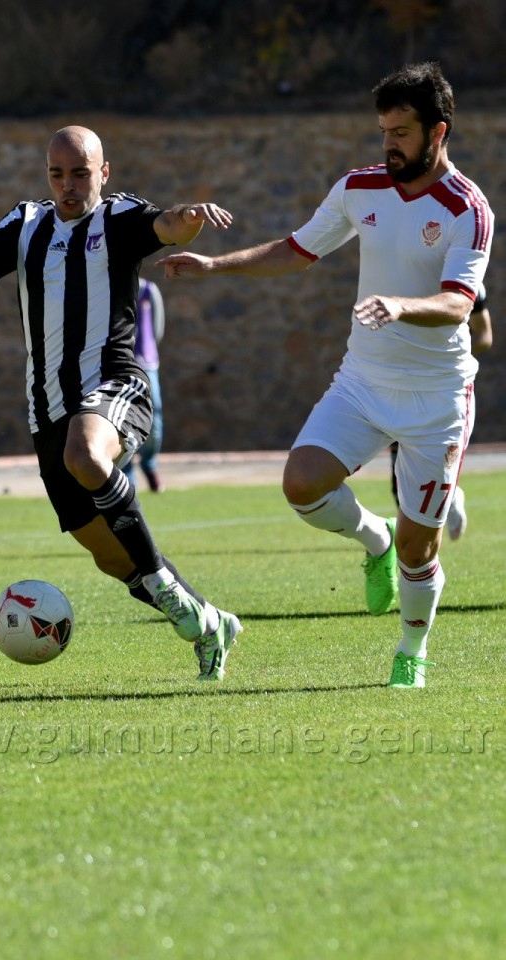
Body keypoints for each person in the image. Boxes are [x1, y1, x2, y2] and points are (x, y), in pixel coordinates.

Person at [158, 62, 494, 689]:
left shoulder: (468, 208)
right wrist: (215, 265)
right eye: (383, 131)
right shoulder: (359, 188)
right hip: (363, 380)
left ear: (439, 132)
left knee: (422, 549)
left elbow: (458, 303)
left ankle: (411, 651)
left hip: (437, 398)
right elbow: (297, 250)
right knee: (302, 484)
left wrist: (400, 306)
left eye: (401, 133)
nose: (389, 144)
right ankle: (375, 540)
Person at [0, 124, 242, 681]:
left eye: (80, 173)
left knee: (85, 454)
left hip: (114, 382)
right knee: (110, 556)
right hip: (46, 409)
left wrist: (190, 217)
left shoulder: (118, 217)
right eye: (57, 174)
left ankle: (165, 586)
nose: (68, 185)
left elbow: (167, 225)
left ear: (103, 173)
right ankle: (209, 621)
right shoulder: (25, 222)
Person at [390, 281, 493, 539]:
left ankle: (447, 495)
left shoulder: (468, 283)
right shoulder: (397, 273)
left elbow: (484, 335)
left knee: (434, 462)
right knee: (400, 481)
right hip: (399, 380)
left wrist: (449, 357)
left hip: (443, 385)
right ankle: (423, 529)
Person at [122, 278, 166, 492]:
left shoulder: (149, 290)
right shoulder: (104, 286)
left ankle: (149, 463)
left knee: (154, 414)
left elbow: (157, 331)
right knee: (120, 420)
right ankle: (127, 475)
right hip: (117, 365)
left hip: (147, 364)